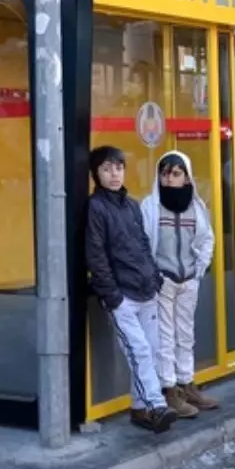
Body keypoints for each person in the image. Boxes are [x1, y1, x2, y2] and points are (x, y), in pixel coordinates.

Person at [85, 146, 176, 434]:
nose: (114, 174)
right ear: (96, 173)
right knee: (138, 350)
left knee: (151, 349)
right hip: (121, 295)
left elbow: (143, 244)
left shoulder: (132, 206)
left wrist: (154, 277)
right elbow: (96, 255)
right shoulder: (96, 207)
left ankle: (139, 409)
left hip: (146, 290)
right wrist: (112, 296)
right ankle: (155, 404)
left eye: (118, 168)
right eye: (107, 168)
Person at [141, 151, 220, 419]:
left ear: (186, 178)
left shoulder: (197, 207)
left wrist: (200, 268)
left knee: (185, 333)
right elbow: (143, 243)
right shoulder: (150, 207)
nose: (169, 179)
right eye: (165, 173)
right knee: (165, 336)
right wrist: (154, 274)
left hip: (188, 279)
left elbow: (207, 239)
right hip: (162, 279)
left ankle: (187, 383)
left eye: (176, 174)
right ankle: (169, 389)